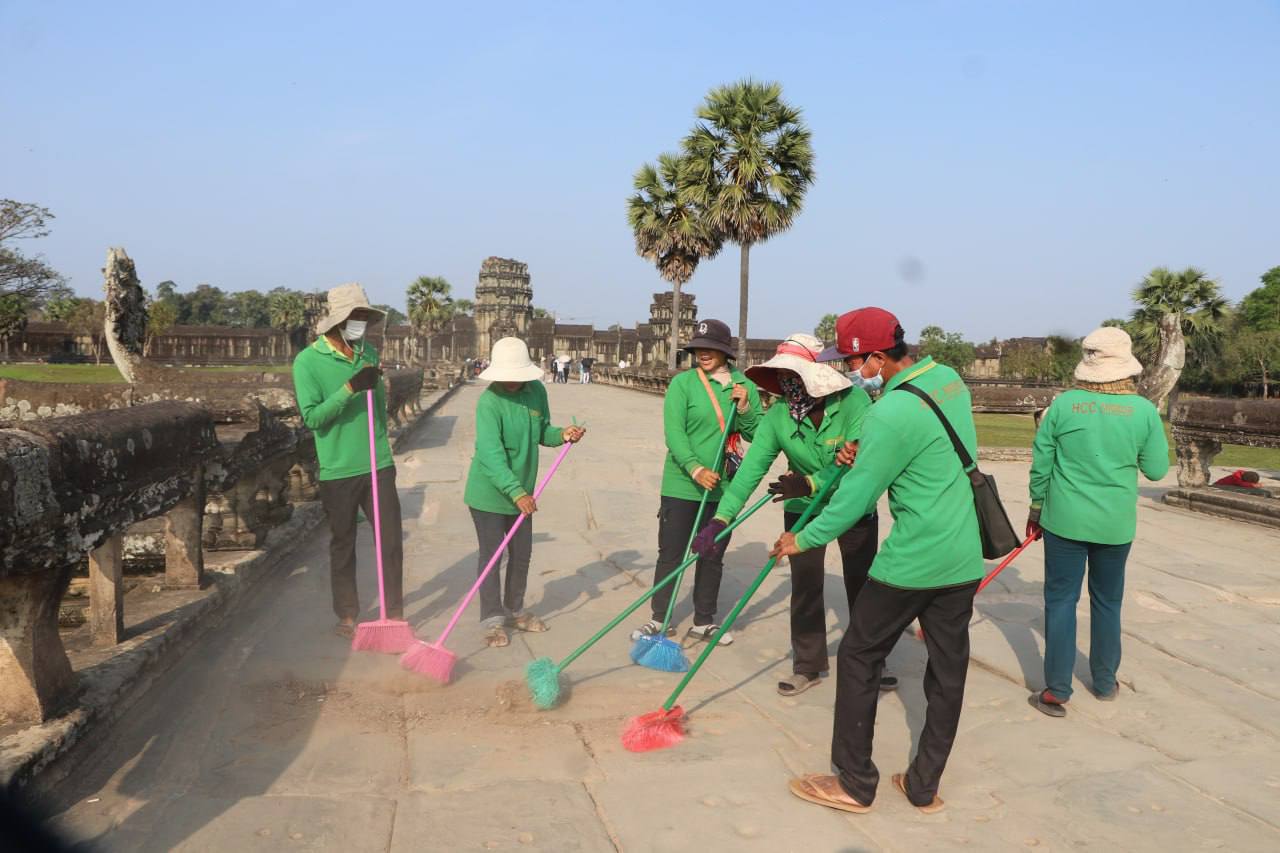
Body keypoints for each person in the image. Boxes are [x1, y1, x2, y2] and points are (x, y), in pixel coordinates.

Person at [773, 307, 982, 815]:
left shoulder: (889, 412)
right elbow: (923, 445)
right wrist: (865, 447)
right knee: (948, 672)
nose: (849, 370)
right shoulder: (948, 379)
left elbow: (853, 498)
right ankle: (923, 784)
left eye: (853, 360)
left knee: (858, 655)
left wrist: (802, 539)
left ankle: (853, 781)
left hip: (914, 559)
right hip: (963, 555)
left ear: (875, 356)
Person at [691, 334, 896, 695]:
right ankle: (808, 665)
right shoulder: (778, 416)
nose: (788, 385)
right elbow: (750, 473)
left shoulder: (853, 402)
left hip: (852, 503)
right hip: (801, 507)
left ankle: (871, 662)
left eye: (794, 376)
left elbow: (857, 461)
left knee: (862, 585)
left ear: (814, 377)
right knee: (805, 587)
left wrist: (811, 483)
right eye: (782, 377)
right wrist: (720, 521)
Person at [1027, 326, 1169, 717]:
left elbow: (1042, 466)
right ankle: (1105, 681)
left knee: (1060, 601)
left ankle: (1057, 689)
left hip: (1064, 520)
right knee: (1107, 602)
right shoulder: (1142, 411)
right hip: (1115, 524)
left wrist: (1035, 508)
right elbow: (1157, 470)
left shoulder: (1063, 405)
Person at [634, 319, 763, 644]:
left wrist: (745, 407)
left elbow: (758, 434)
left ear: (725, 353)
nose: (704, 354)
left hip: (723, 489)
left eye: (712, 349)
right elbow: (674, 433)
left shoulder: (742, 385)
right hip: (681, 484)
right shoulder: (684, 384)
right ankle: (659, 618)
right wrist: (694, 468)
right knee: (671, 553)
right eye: (699, 349)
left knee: (712, 554)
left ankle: (704, 620)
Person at [292, 283, 403, 639]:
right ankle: (348, 613)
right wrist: (350, 389)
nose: (362, 324)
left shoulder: (368, 353)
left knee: (390, 541)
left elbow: (381, 409)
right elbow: (312, 418)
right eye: (356, 318)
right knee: (343, 543)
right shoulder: (308, 361)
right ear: (338, 321)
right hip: (339, 467)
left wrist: (371, 386)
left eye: (366, 318)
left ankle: (394, 612)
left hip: (377, 462)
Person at [464, 337, 586, 647]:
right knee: (492, 557)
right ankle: (492, 620)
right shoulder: (489, 402)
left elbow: (542, 430)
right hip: (490, 493)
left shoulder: (536, 391)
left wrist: (563, 434)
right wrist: (516, 492)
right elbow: (491, 455)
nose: (511, 381)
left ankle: (515, 610)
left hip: (523, 494)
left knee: (522, 556)